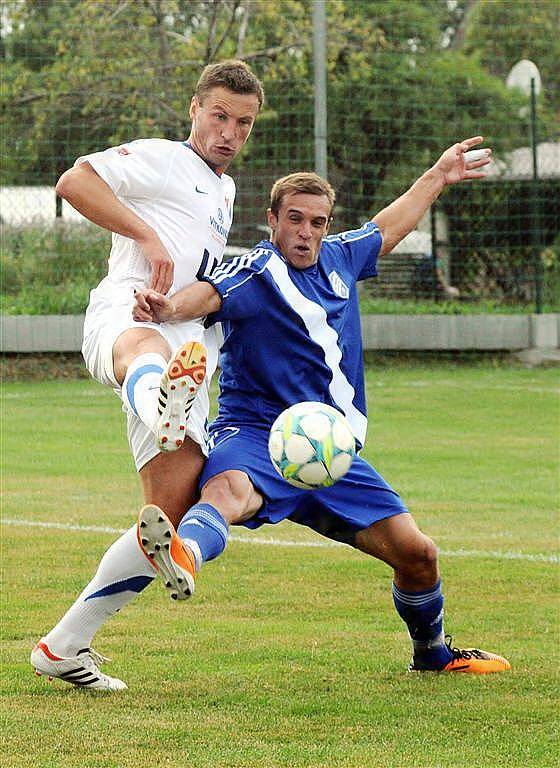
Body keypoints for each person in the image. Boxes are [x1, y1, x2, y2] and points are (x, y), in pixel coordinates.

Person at [132, 138, 511, 675]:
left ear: (327, 226)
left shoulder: (339, 259)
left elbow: (388, 228)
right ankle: (184, 555)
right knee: (228, 491)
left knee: (418, 554)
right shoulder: (256, 270)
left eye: (316, 221)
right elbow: (208, 297)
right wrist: (168, 306)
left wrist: (438, 175)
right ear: (273, 220)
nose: (305, 232)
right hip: (257, 434)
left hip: (331, 450)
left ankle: (432, 653)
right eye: (294, 220)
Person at [30, 60, 264, 690]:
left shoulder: (225, 190)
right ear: (195, 110)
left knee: (166, 514)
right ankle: (158, 393)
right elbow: (74, 180)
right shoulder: (163, 158)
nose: (228, 131)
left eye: (242, 123)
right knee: (143, 350)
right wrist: (147, 237)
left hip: (188, 348)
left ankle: (64, 647)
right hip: (126, 313)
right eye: (219, 115)